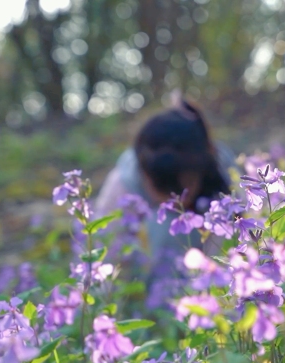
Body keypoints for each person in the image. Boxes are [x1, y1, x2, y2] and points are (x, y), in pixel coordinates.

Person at [94, 96, 238, 295]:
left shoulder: (223, 172)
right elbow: (103, 253)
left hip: (206, 269)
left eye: (186, 186)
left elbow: (234, 243)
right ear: (143, 174)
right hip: (152, 275)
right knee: (164, 228)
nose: (178, 200)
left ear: (202, 170)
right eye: (164, 190)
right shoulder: (123, 181)